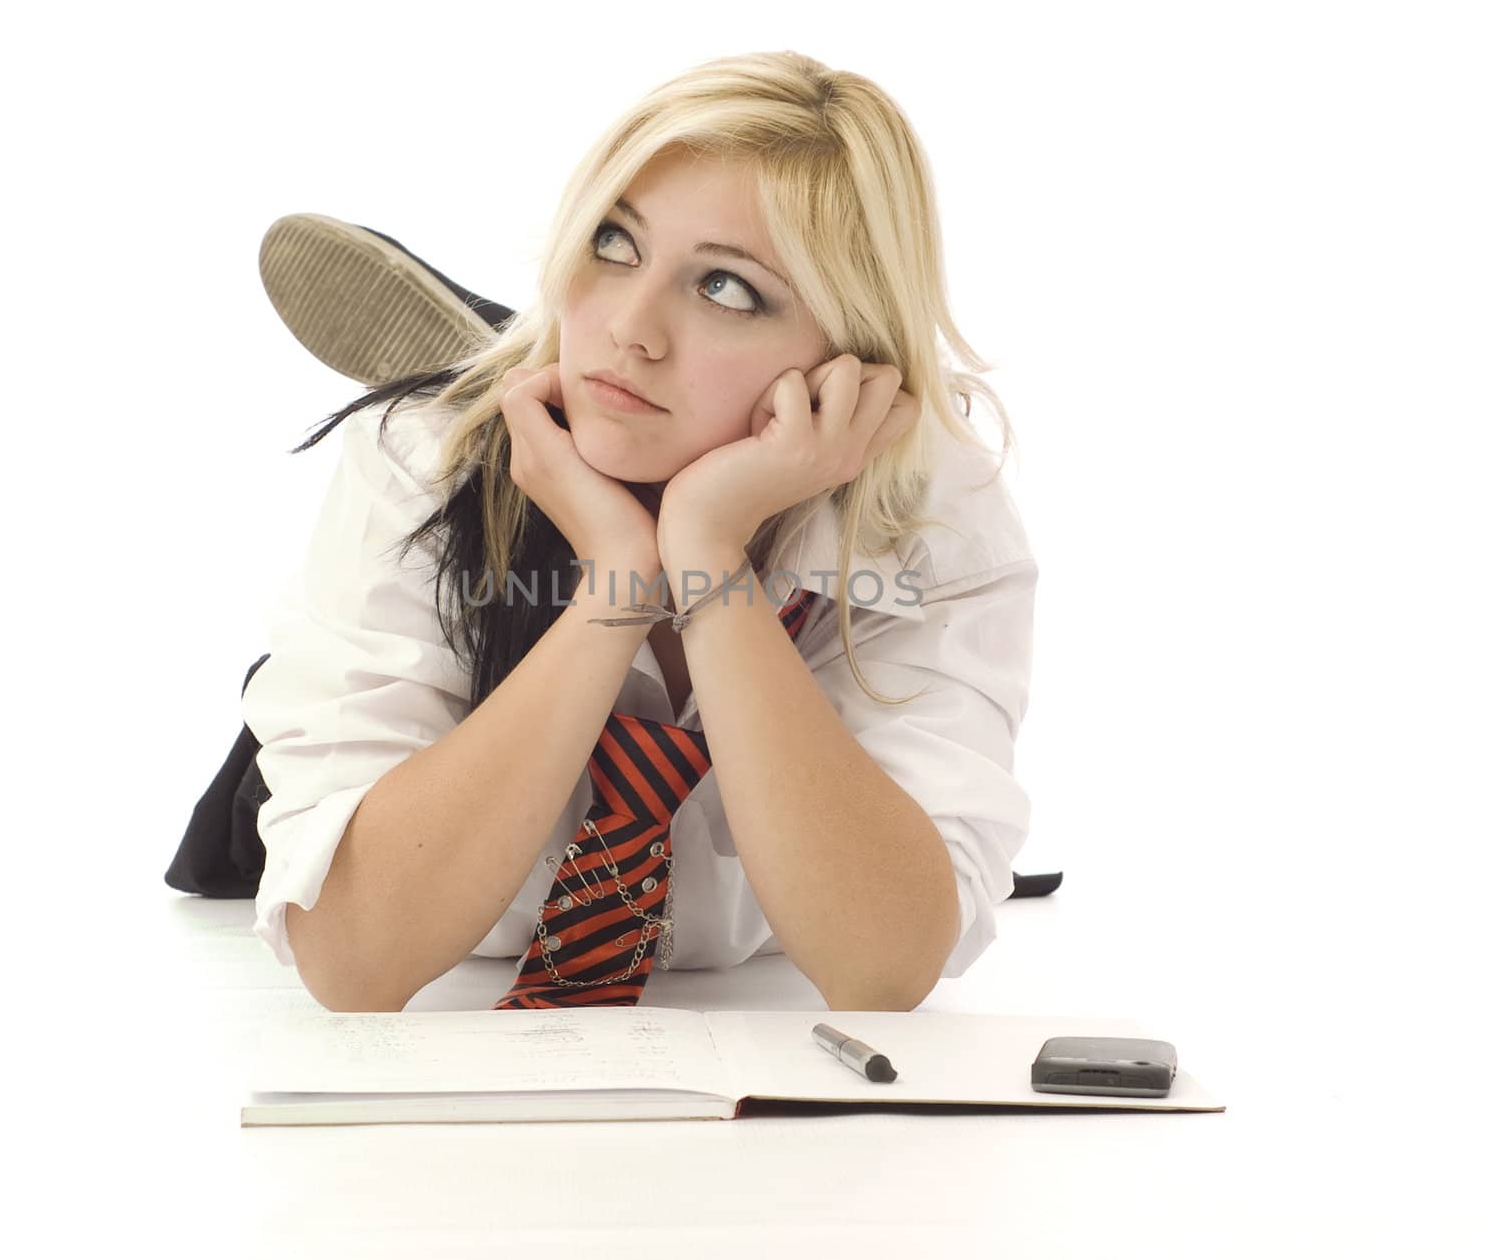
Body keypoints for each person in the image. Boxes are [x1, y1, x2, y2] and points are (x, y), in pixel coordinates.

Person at [166, 49, 1052, 1013]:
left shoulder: (926, 520)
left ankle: (538, 347)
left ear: (847, 358)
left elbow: (882, 965)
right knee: (449, 489)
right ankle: (517, 365)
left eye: (726, 289)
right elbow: (353, 958)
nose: (630, 326)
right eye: (615, 242)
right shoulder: (420, 460)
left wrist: (708, 555)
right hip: (389, 758)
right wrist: (619, 578)